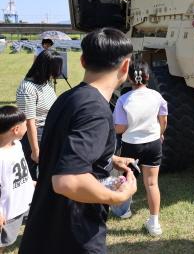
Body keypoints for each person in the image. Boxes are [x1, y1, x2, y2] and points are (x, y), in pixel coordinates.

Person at [19, 28, 138, 254]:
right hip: (73, 237)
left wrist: (108, 158)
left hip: (44, 232)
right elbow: (67, 180)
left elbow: (63, 149)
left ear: (83, 61)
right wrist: (117, 196)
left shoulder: (68, 98)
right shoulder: (95, 110)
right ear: (125, 67)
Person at [113, 60, 168, 236]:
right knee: (152, 183)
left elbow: (120, 128)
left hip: (131, 145)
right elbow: (164, 120)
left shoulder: (123, 99)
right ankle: (154, 223)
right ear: (148, 77)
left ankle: (123, 211)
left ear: (129, 78)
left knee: (127, 178)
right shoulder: (157, 96)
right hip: (153, 143)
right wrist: (160, 132)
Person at [16, 49, 63, 180]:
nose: (58, 72)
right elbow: (30, 122)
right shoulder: (28, 88)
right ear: (47, 67)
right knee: (33, 179)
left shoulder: (45, 83)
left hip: (47, 133)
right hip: (35, 137)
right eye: (56, 68)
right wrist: (35, 151)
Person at [0, 106, 34, 251]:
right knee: (2, 242)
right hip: (8, 211)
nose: (28, 127)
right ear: (15, 130)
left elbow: (21, 170)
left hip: (24, 202)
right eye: (25, 125)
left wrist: (31, 183)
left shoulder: (18, 145)